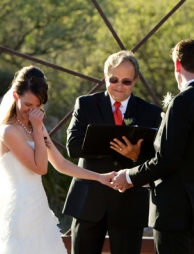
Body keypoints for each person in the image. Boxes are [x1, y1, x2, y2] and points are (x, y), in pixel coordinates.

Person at [0, 66, 115, 254]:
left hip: (38, 208)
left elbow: (60, 163)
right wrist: (38, 128)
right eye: (27, 105)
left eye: (37, 106)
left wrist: (99, 177)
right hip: (19, 211)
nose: (32, 111)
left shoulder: (35, 125)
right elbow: (40, 168)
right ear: (15, 96)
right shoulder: (9, 131)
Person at [111, 39, 194, 254]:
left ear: (177, 65)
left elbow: (167, 160)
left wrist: (129, 176)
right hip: (192, 205)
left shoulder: (182, 102)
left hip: (172, 208)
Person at [63, 50, 163, 254]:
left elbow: (158, 159)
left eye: (126, 81)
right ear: (105, 76)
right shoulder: (85, 104)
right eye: (113, 79)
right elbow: (73, 147)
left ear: (136, 80)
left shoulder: (151, 112)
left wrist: (135, 156)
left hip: (129, 204)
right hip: (89, 200)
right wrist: (113, 145)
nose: (119, 86)